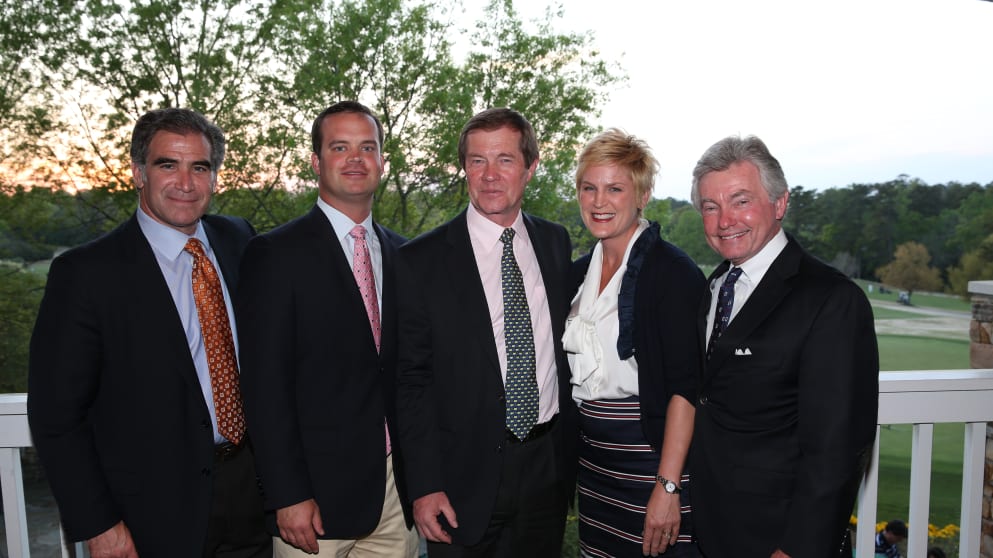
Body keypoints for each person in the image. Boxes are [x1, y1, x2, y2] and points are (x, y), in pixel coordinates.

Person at [27, 108, 269, 557]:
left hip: (250, 494)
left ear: (215, 177)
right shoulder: (86, 274)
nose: (186, 182)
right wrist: (100, 526)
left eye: (200, 167)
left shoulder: (238, 239)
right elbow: (56, 417)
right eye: (167, 165)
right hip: (150, 513)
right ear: (138, 172)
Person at [236, 101, 416, 556]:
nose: (355, 159)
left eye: (367, 147)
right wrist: (287, 493)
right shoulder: (274, 255)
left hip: (397, 494)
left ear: (381, 161)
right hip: (313, 500)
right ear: (316, 162)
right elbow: (263, 387)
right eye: (340, 147)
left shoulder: (404, 254)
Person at [395, 107, 577, 557]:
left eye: (505, 160)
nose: (490, 175)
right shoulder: (420, 261)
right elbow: (409, 382)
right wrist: (424, 485)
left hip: (545, 468)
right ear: (464, 169)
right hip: (460, 480)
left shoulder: (555, 244)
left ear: (531, 168)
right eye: (477, 161)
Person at [689, 135, 879, 558]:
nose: (724, 221)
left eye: (741, 201)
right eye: (710, 206)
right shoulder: (718, 286)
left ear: (779, 203)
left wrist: (797, 547)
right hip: (710, 529)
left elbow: (838, 448)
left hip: (778, 540)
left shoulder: (832, 300)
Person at [562, 129, 704, 557]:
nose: (599, 201)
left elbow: (686, 389)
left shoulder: (674, 274)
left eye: (614, 188)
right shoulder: (576, 274)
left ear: (642, 195)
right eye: (589, 187)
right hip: (595, 469)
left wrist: (668, 486)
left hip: (652, 464)